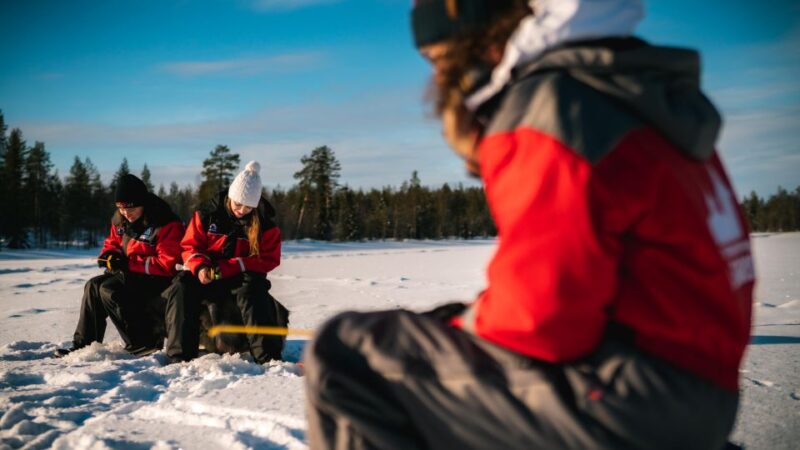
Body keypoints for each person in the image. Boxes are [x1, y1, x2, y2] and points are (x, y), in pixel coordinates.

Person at [303, 1, 755, 449]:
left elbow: (541, 321)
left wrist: (457, 332)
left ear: (485, 43)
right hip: (698, 391)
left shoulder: (551, 110)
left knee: (346, 355)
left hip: (629, 397)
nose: (439, 81)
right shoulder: (638, 98)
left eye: (440, 60)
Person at [163, 161, 287, 363]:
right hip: (208, 274)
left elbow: (270, 259)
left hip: (242, 277)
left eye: (248, 207)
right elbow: (190, 247)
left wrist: (237, 265)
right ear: (230, 196)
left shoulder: (265, 224)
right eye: (238, 204)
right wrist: (201, 266)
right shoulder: (206, 214)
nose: (241, 210)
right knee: (182, 284)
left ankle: (267, 358)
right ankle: (179, 355)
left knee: (254, 290)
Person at [55, 174, 184, 358]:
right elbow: (112, 243)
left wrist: (128, 263)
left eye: (130, 207)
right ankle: (84, 344)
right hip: (131, 274)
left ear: (143, 203)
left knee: (109, 289)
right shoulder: (120, 220)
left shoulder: (166, 223)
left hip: (159, 281)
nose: (125, 212)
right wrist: (109, 255)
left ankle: (142, 341)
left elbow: (167, 265)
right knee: (93, 286)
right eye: (120, 207)